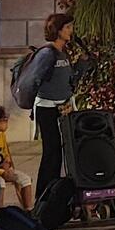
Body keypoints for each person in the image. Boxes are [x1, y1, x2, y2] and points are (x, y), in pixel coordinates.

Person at [25, 13, 85, 196]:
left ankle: (54, 193)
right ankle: (43, 195)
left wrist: (82, 65)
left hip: (63, 108)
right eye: (67, 27)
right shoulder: (46, 53)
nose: (71, 31)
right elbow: (35, 79)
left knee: (59, 153)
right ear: (57, 30)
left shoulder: (62, 53)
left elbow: (68, 80)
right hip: (47, 108)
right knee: (51, 152)